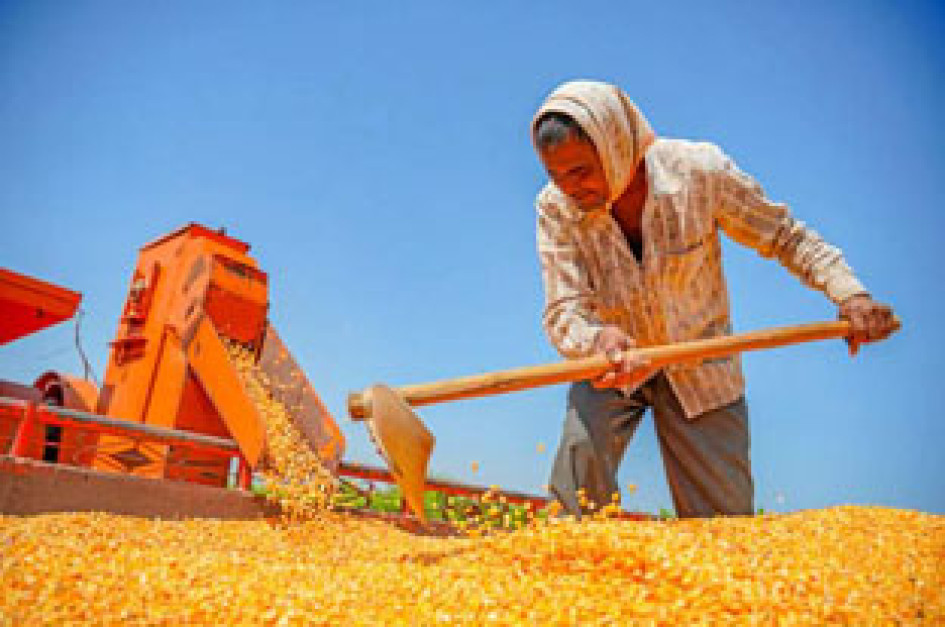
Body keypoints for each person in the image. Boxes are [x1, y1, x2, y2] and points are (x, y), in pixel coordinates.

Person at [531, 80, 897, 518]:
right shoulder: (555, 209)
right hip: (611, 363)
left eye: (580, 171)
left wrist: (850, 293)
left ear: (614, 145)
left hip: (700, 366)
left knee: (724, 530)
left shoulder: (699, 173)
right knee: (575, 491)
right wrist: (597, 340)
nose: (568, 187)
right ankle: (573, 558)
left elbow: (785, 236)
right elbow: (564, 306)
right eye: (555, 174)